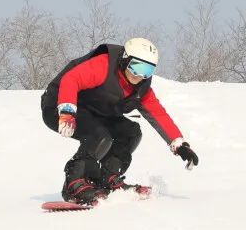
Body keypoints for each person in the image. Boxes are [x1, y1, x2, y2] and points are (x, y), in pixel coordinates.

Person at [41, 38, 199, 205]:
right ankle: (74, 184)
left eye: (147, 70)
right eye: (136, 67)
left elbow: (158, 114)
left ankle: (108, 179)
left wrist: (179, 144)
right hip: (59, 105)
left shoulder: (141, 89)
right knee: (100, 137)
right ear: (124, 59)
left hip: (94, 110)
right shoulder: (104, 66)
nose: (139, 76)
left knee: (130, 132)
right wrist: (66, 111)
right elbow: (71, 80)